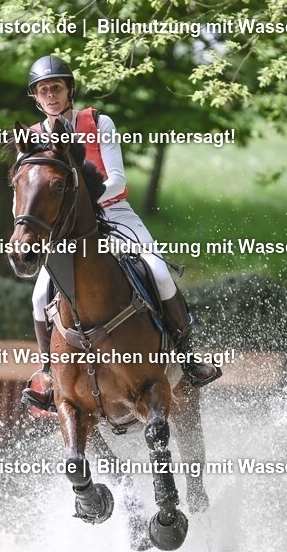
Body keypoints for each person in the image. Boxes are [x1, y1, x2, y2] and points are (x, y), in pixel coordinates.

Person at [19, 55, 221, 411]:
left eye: (56, 87)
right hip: (67, 230)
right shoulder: (33, 138)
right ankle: (49, 375)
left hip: (113, 213)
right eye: (43, 90)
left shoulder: (98, 122)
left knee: (159, 272)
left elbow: (117, 180)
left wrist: (87, 200)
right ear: (36, 97)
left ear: (70, 90)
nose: (50, 95)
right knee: (39, 298)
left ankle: (187, 360)